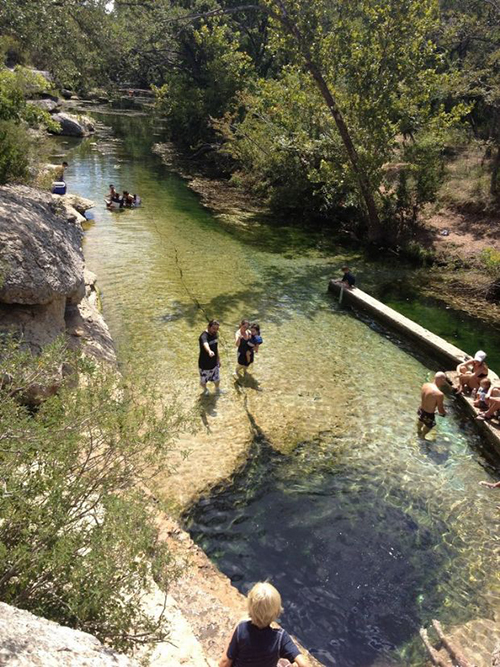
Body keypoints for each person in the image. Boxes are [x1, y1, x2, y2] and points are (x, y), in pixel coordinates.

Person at [219, 582, 307, 667]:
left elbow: (225, 661)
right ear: (277, 612)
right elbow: (304, 665)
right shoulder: (280, 638)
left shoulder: (241, 629)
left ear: (250, 607)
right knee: (284, 663)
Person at [417, 372, 448, 438]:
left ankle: (418, 431)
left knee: (420, 420)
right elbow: (440, 410)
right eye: (445, 380)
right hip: (429, 414)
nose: (445, 382)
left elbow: (427, 399)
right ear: (442, 380)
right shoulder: (439, 394)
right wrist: (445, 413)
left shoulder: (425, 385)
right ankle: (422, 437)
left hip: (421, 409)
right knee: (429, 426)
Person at [199, 320, 221, 394]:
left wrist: (218, 358)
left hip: (214, 362)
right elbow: (205, 343)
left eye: (217, 329)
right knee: (203, 381)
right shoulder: (203, 336)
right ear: (208, 327)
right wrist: (209, 351)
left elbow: (216, 347)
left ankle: (217, 389)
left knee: (217, 379)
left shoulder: (215, 334)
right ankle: (205, 390)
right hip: (204, 364)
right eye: (214, 328)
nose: (215, 330)